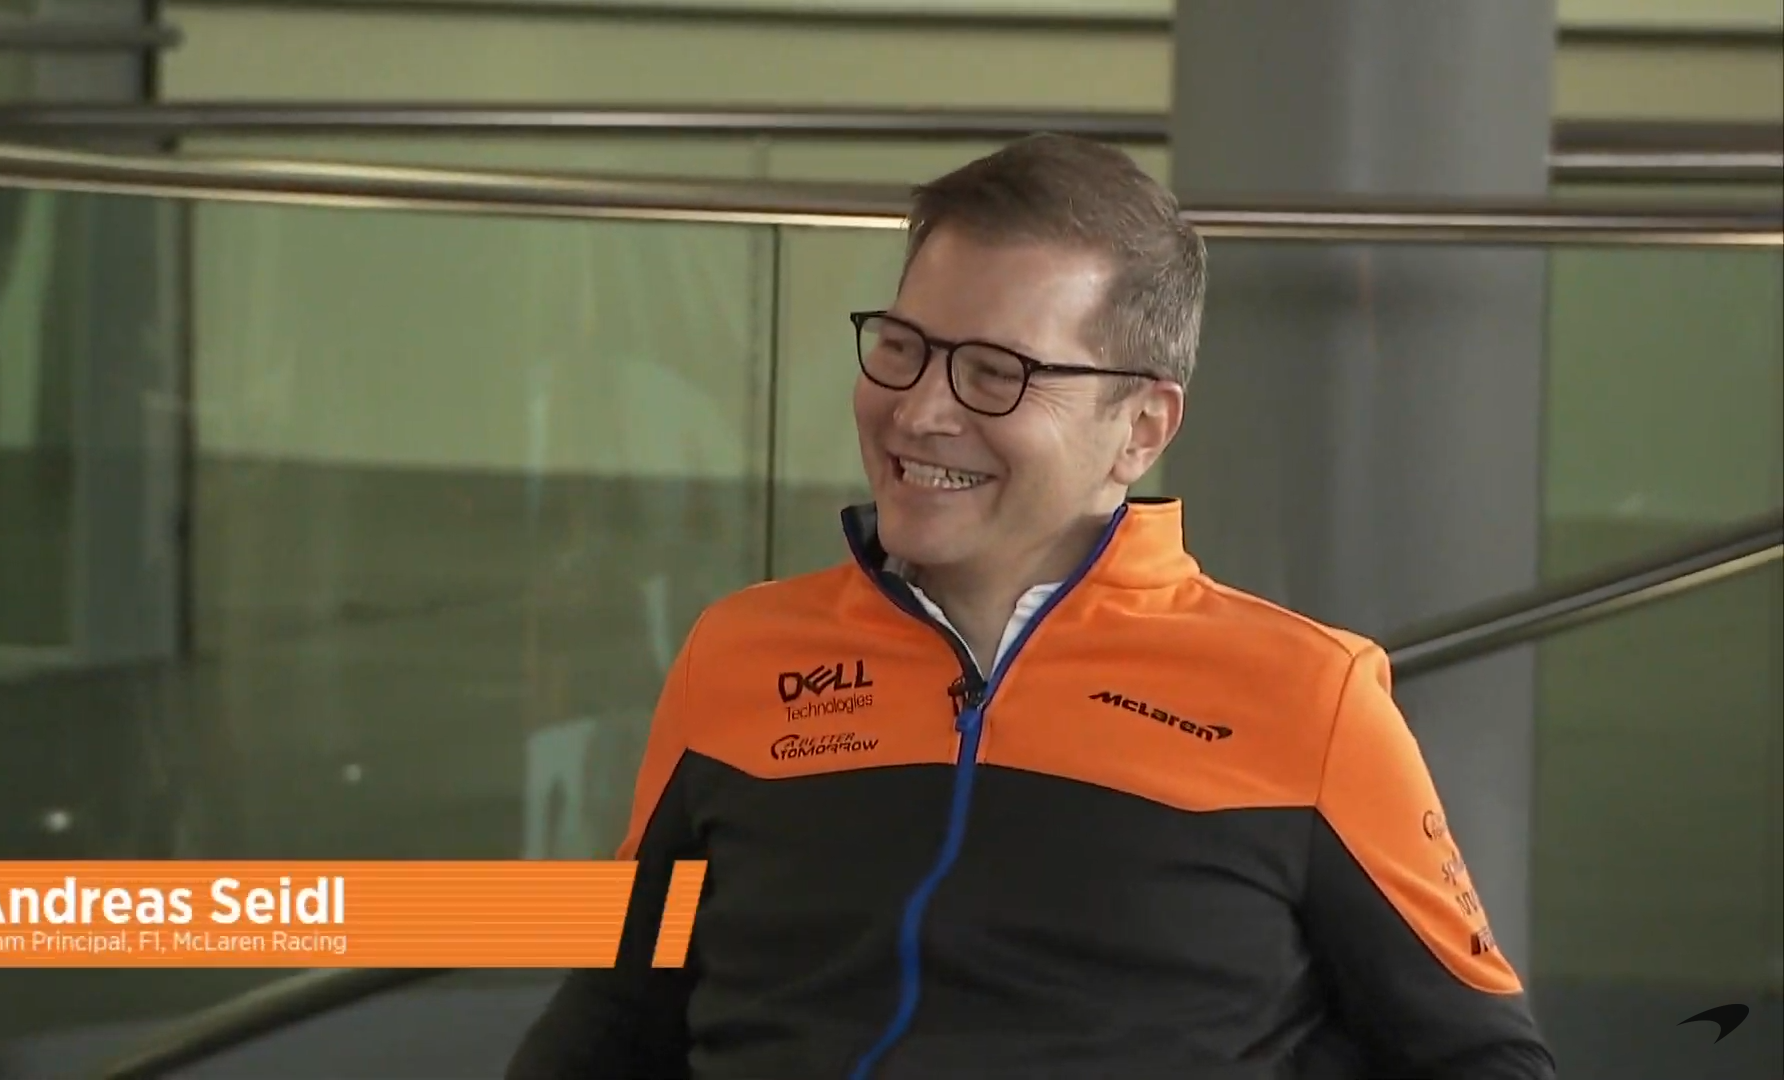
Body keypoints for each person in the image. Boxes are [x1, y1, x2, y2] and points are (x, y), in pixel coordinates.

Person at [506, 134, 1555, 1080]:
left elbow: (1481, 1061)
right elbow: (614, 1013)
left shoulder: (1308, 699)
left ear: (1140, 429)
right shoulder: (736, 655)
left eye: (995, 374)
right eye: (903, 347)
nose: (921, 411)